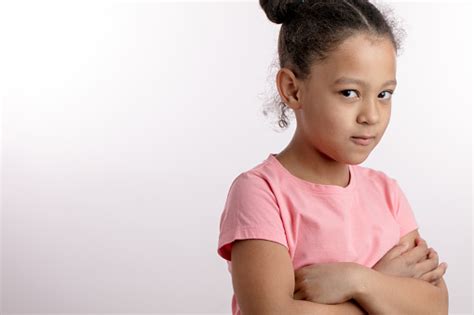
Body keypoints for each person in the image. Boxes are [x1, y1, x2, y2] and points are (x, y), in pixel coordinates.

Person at [217, 0, 449, 314]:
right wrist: (383, 291)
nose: (371, 115)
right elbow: (272, 312)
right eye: (349, 93)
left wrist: (359, 280)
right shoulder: (261, 193)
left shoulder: (387, 194)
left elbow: (435, 306)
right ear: (293, 89)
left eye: (384, 94)